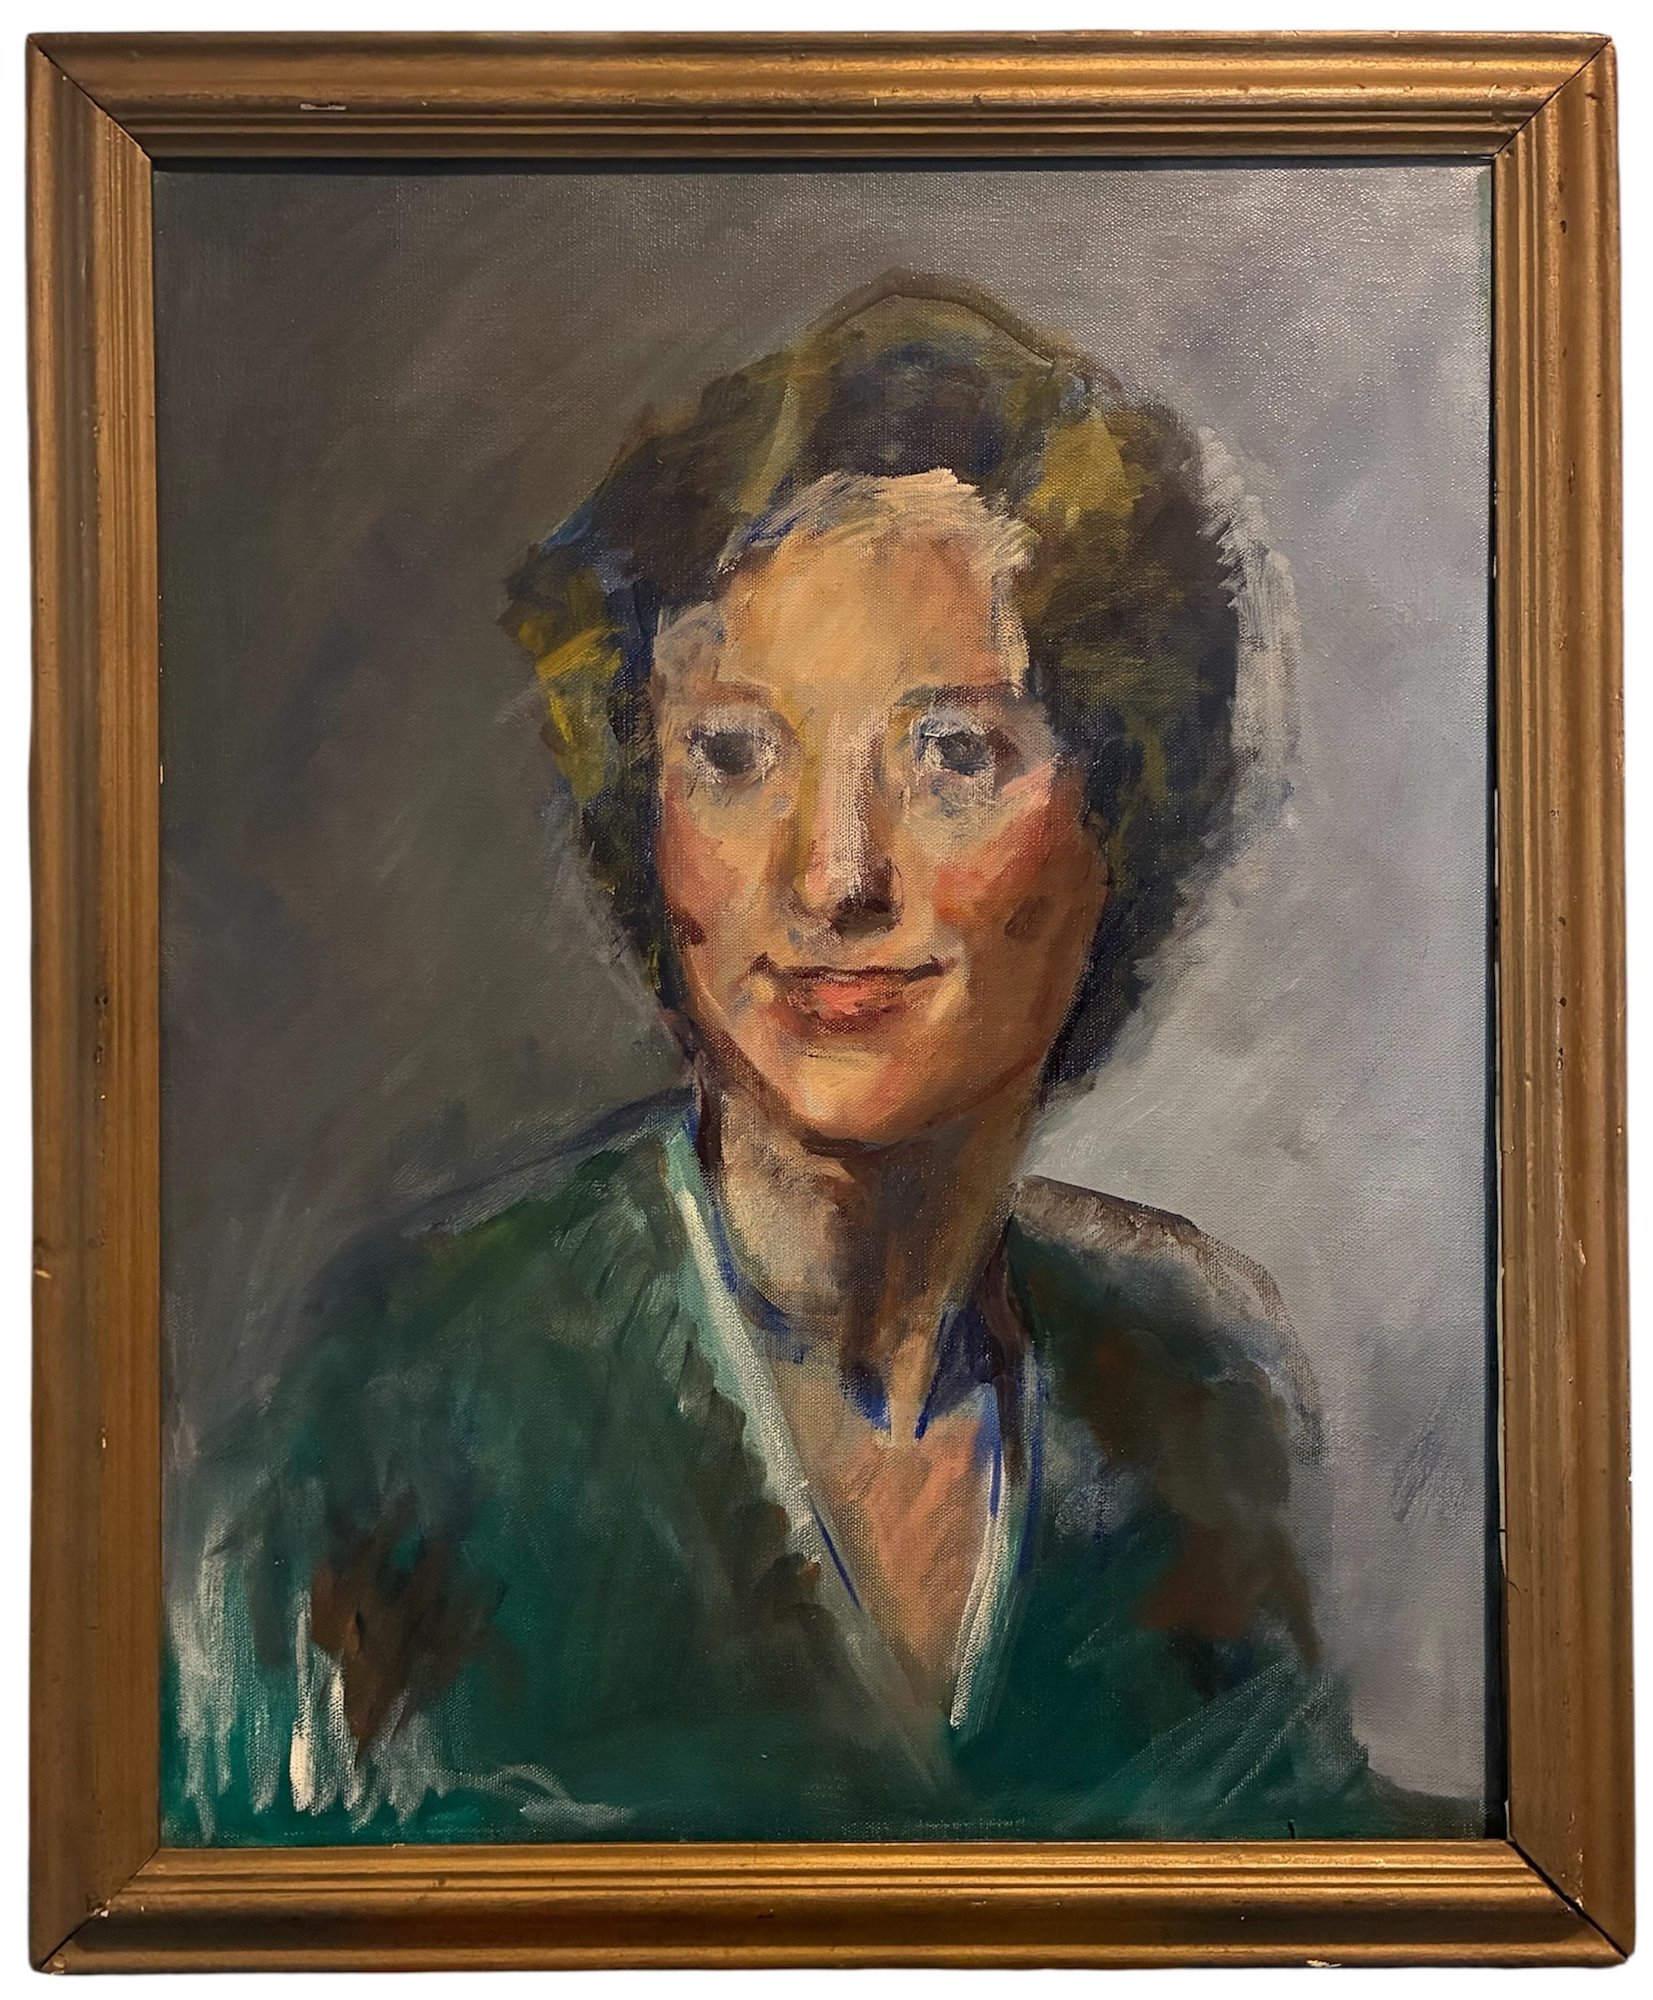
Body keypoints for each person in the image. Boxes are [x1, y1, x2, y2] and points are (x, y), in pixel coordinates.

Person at [164, 273, 1480, 1844]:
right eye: (733, 754)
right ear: (645, 813)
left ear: (1115, 823)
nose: (832, 874)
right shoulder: (415, 1402)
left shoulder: (1193, 1398)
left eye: (951, 755)